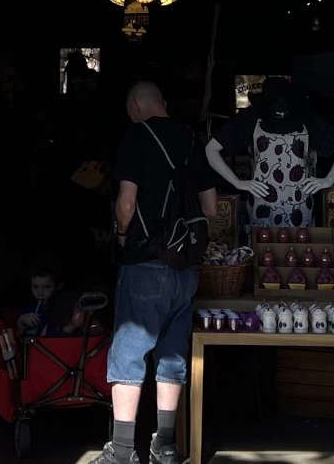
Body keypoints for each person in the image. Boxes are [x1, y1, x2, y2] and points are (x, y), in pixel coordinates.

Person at [96, 81, 217, 464]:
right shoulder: (190, 138)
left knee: (129, 353)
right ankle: (165, 445)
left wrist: (119, 233)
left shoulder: (136, 135)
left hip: (146, 262)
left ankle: (122, 451)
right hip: (186, 268)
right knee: (171, 355)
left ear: (134, 106)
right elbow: (211, 208)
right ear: (162, 103)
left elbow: (127, 201)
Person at [204, 77, 334, 229]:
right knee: (262, 246)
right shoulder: (251, 118)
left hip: (300, 206)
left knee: (300, 248)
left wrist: (328, 180)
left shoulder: (307, 118)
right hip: (262, 205)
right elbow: (211, 149)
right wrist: (237, 182)